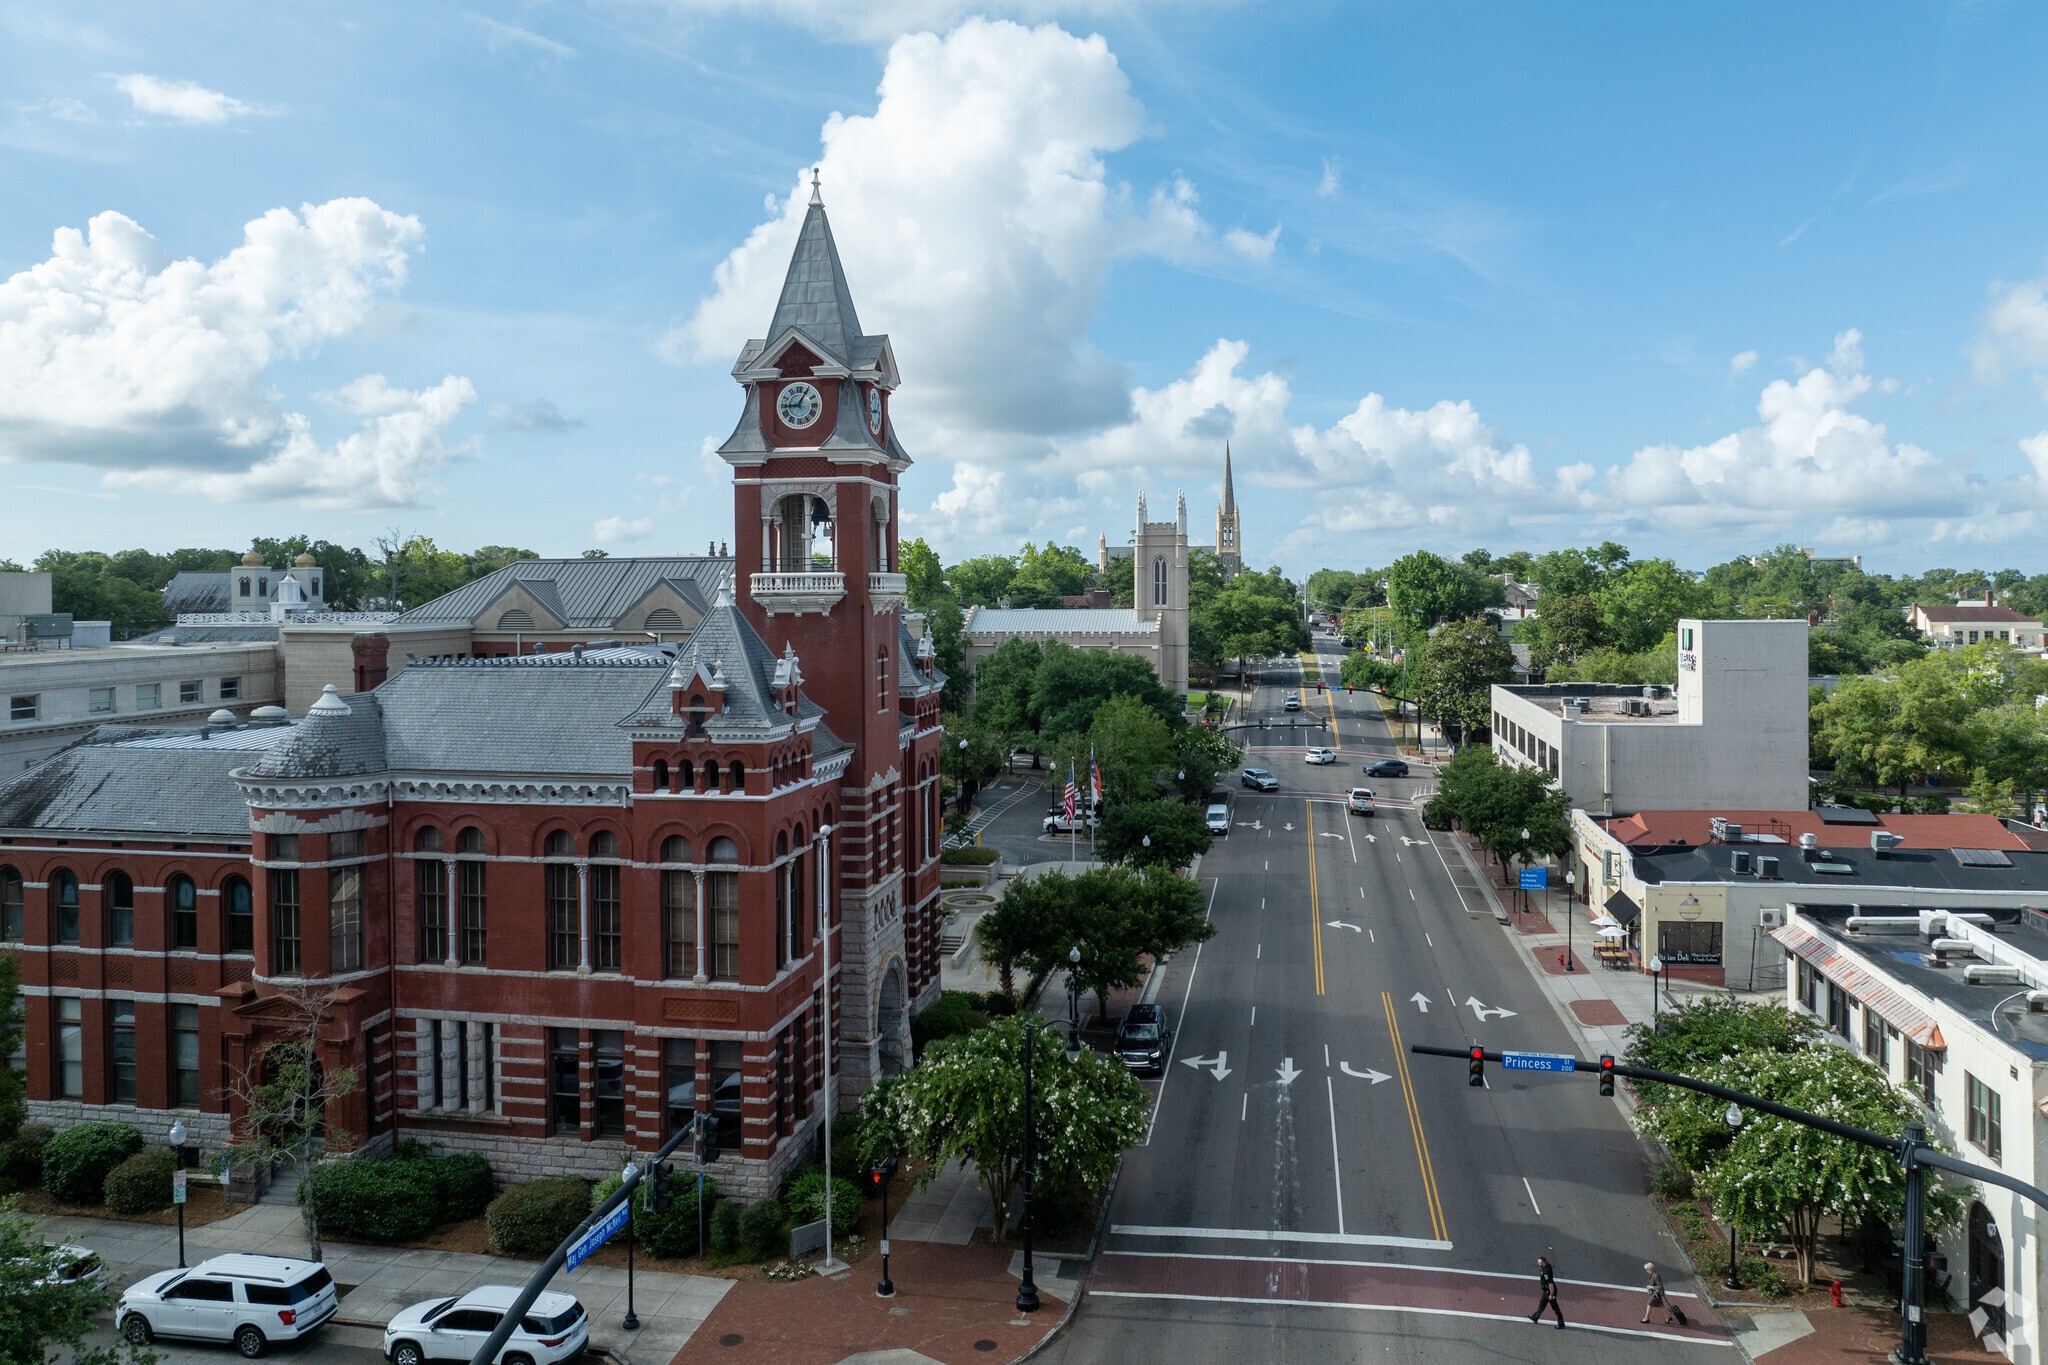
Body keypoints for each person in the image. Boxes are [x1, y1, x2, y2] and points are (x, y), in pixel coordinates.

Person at [1529, 1256, 1564, 1329]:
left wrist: (1551, 1295)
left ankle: (1561, 1323)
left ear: (1543, 1262)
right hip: (1546, 1291)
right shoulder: (1547, 1266)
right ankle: (1535, 1317)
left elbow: (1550, 1284)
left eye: (1539, 1262)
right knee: (1542, 1304)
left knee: (1555, 1308)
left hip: (1549, 1292)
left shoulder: (1546, 1272)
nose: (1538, 1263)